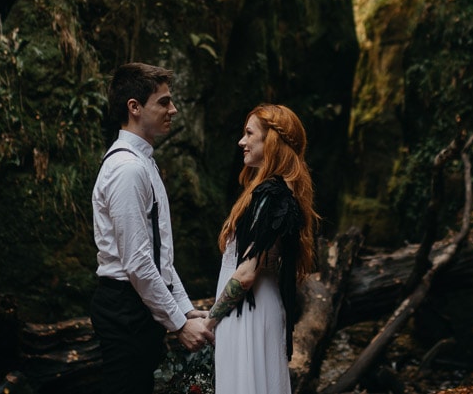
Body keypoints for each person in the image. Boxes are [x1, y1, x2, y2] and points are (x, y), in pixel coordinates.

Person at [89, 62, 213, 394]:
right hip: (125, 307)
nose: (173, 110)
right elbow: (137, 261)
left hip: (137, 304)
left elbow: (160, 257)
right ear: (134, 107)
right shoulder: (127, 168)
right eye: (164, 102)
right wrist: (179, 325)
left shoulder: (143, 162)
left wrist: (185, 308)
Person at [204, 103, 319, 394]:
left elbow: (246, 274)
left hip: (247, 311)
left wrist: (209, 321)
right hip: (259, 306)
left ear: (271, 141)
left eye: (249, 133)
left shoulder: (271, 195)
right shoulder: (283, 193)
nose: (241, 141)